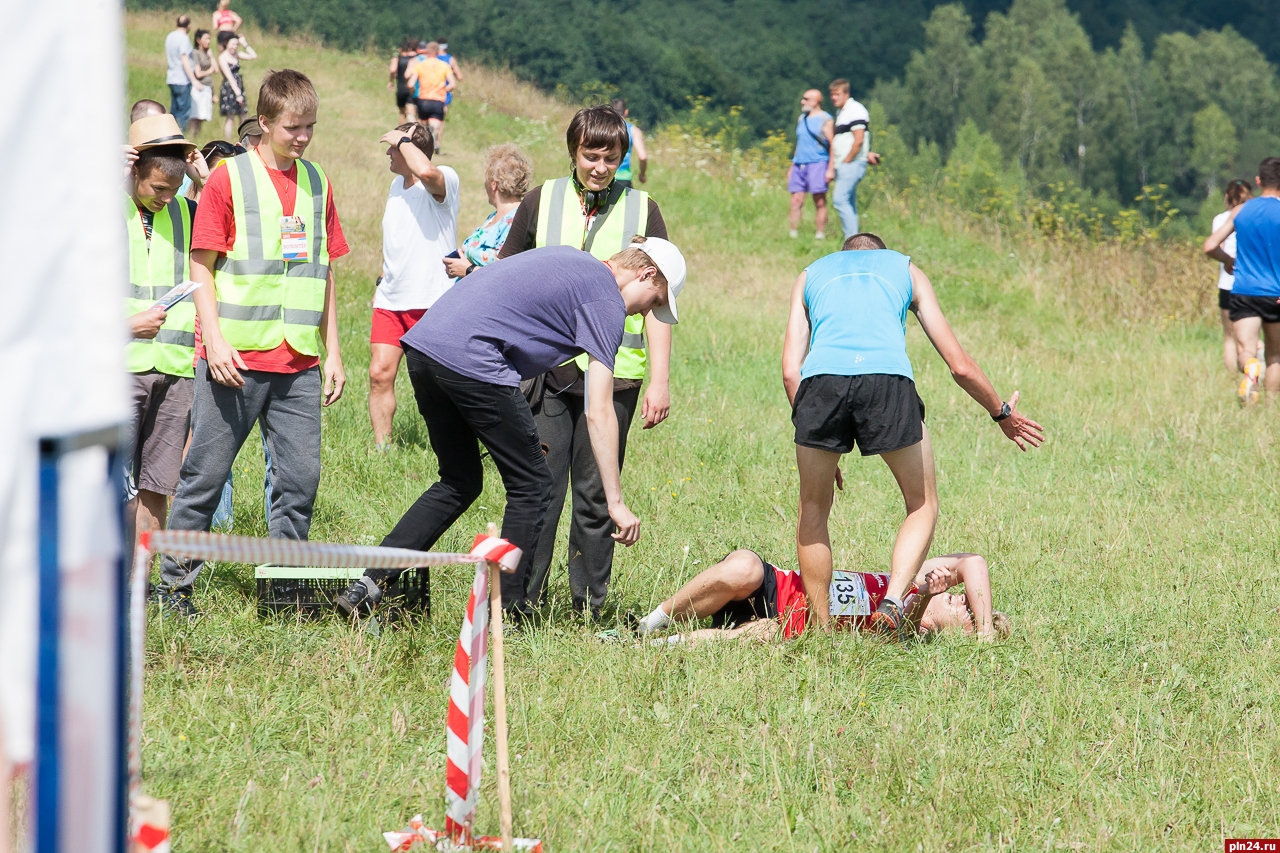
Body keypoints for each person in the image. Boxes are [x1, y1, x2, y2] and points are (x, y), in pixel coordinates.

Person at [334, 238, 687, 621]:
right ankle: (508, 613)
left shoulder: (569, 257)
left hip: (425, 348)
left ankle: (368, 583)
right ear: (646, 274)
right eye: (654, 301)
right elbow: (599, 411)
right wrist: (615, 503)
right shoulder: (606, 301)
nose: (644, 312)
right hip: (474, 361)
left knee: (459, 481)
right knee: (533, 485)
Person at [156, 70, 349, 618]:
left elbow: (324, 268)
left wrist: (332, 350)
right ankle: (175, 588)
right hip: (234, 359)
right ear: (263, 123)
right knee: (205, 477)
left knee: (299, 479)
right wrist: (211, 340)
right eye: (293, 127)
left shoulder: (319, 182)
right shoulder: (227, 180)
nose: (303, 137)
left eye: (310, 126)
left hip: (299, 363)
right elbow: (202, 264)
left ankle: (284, 588)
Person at [782, 232, 1043, 633]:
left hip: (820, 387)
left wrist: (819, 440)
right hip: (887, 382)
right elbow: (958, 364)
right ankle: (893, 600)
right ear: (881, 253)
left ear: (842, 254)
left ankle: (819, 629)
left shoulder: (810, 274)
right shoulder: (905, 269)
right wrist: (1001, 413)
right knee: (922, 503)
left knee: (813, 508)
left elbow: (789, 370)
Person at [497, 105, 674, 616]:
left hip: (616, 378)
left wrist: (659, 380)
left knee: (596, 499)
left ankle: (589, 609)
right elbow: (509, 277)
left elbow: (659, 299)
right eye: (590, 155)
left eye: (610, 157)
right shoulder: (540, 200)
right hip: (544, 374)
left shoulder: (644, 210)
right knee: (540, 492)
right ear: (573, 152)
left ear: (622, 158)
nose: (599, 166)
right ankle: (521, 604)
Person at [628, 549, 1009, 644]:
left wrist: (925, 597)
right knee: (743, 565)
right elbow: (974, 561)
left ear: (959, 635)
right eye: (974, 604)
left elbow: (894, 633)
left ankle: (651, 649)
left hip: (783, 627)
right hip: (780, 587)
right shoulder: (912, 574)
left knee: (757, 637)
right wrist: (985, 633)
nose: (964, 601)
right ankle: (645, 627)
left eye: (972, 617)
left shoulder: (918, 641)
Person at [122, 115, 200, 557]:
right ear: (134, 170)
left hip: (174, 372)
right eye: (157, 188)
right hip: (118, 367)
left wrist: (198, 176)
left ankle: (143, 584)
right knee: (113, 484)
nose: (166, 198)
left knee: (157, 484)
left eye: (173, 189)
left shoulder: (186, 212)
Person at [369, 122, 460, 450]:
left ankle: (454, 446)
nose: (388, 152)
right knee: (379, 374)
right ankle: (382, 450)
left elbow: (427, 171)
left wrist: (405, 140)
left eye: (393, 146)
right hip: (391, 300)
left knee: (441, 383)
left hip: (433, 300)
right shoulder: (396, 186)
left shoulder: (444, 178)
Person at [1206, 158, 1280, 405]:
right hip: (1275, 294)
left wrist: (1227, 260)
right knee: (1275, 356)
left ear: (1258, 181)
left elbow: (1209, 246)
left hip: (1244, 291)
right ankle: (1269, 406)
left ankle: (1249, 367)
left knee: (1245, 349)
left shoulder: (1241, 211)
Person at [443, 143, 532, 280]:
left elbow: (507, 277)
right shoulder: (494, 218)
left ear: (493, 184)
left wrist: (467, 270)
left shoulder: (515, 220)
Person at [1206, 180, 1258, 376]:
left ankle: (1232, 377)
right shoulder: (1254, 218)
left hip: (1228, 284)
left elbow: (1214, 248)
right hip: (1256, 282)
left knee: (1230, 337)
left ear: (1227, 197)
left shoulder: (1220, 220)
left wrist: (1228, 261)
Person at [827, 79, 874, 240]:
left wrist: (847, 160)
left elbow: (859, 139)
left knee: (839, 200)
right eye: (832, 95)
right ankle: (854, 238)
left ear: (846, 94)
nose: (834, 98)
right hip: (846, 163)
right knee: (849, 203)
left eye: (837, 94)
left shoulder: (855, 110)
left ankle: (851, 239)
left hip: (851, 163)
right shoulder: (842, 112)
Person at [788, 89, 834, 240]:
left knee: (819, 200)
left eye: (806, 99)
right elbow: (799, 144)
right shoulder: (802, 119)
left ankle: (820, 234)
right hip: (799, 164)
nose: (802, 101)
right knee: (796, 199)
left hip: (818, 163)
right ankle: (793, 232)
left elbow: (833, 145)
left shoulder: (825, 120)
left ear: (815, 101)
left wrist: (830, 169)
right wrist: (792, 165)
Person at [405, 41, 454, 152]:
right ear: (438, 52)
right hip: (438, 99)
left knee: (422, 123)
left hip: (423, 99)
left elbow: (410, 84)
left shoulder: (420, 65)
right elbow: (453, 84)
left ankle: (422, 144)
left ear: (427, 51)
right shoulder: (445, 66)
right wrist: (444, 90)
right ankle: (434, 131)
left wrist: (413, 91)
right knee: (436, 122)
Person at [217, 31, 256, 140]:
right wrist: (238, 93)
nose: (234, 47)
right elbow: (229, 77)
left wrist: (244, 43)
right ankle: (228, 141)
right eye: (232, 44)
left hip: (239, 86)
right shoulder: (222, 57)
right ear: (226, 43)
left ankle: (244, 139)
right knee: (230, 118)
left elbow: (253, 56)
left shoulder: (237, 54)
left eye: (236, 44)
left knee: (243, 116)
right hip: (230, 89)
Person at [164, 15, 199, 130]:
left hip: (171, 77)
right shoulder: (184, 38)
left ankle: (170, 131)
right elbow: (184, 59)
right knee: (183, 111)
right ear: (188, 25)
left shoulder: (170, 36)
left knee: (174, 110)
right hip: (182, 79)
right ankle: (179, 135)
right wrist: (193, 80)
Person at [610, 98, 648, 188]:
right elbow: (643, 157)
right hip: (624, 178)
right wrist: (642, 174)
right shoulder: (633, 130)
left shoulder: (602, 129)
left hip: (604, 176)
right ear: (626, 112)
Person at [187, 29, 216, 137]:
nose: (209, 41)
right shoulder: (196, 53)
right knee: (196, 115)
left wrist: (211, 55)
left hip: (207, 88)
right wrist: (209, 70)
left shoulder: (207, 53)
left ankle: (196, 136)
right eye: (206, 38)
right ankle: (191, 136)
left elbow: (216, 69)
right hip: (199, 87)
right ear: (199, 40)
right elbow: (198, 74)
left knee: (202, 117)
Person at [389, 38, 420, 123]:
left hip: (401, 88)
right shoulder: (415, 59)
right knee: (413, 113)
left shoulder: (397, 58)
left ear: (400, 49)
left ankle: (401, 132)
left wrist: (391, 81)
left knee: (402, 113)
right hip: (412, 89)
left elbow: (392, 70)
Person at [436, 37, 462, 114]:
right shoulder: (450, 59)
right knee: (441, 117)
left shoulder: (431, 58)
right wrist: (451, 72)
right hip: (445, 90)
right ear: (446, 47)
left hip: (430, 90)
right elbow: (460, 77)